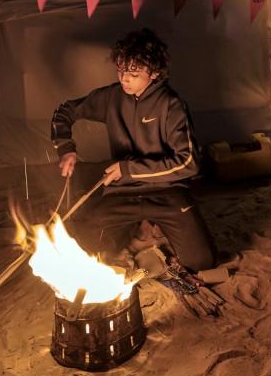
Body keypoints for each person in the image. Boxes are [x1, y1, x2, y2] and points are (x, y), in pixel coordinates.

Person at [51, 28, 217, 272]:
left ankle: (152, 224)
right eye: (120, 71)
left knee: (202, 262)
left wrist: (127, 169)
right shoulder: (112, 97)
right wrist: (66, 148)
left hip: (168, 193)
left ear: (155, 73)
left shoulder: (171, 105)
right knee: (88, 253)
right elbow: (64, 112)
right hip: (121, 194)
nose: (124, 79)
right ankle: (140, 226)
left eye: (133, 73)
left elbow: (189, 163)